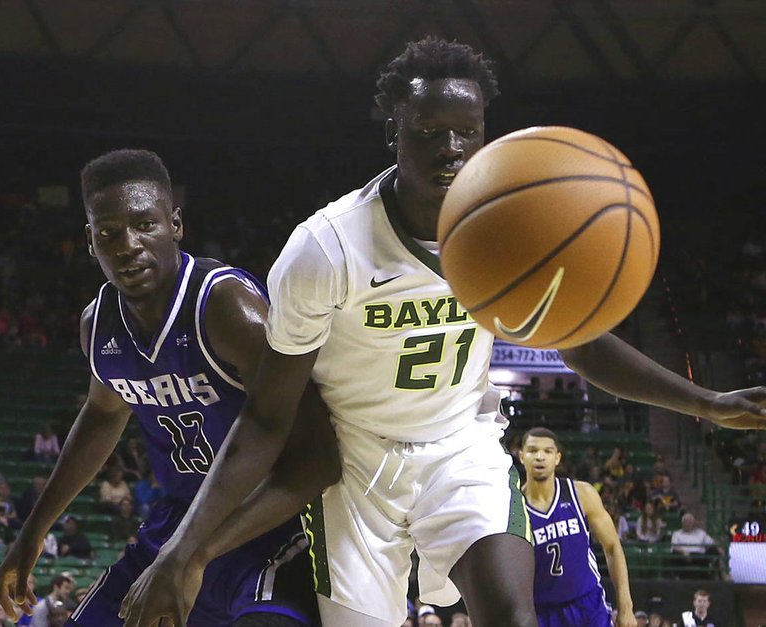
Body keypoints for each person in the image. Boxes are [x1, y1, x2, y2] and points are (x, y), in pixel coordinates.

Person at [120, 37, 766, 627]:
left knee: (513, 615)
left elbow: (579, 340)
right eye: (429, 131)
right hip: (356, 464)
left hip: (462, 448)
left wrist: (705, 401)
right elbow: (266, 417)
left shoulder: (515, 233)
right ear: (393, 133)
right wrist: (183, 551)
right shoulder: (327, 248)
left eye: (467, 131)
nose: (451, 147)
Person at [0, 149, 338, 627]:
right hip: (175, 525)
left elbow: (318, 460)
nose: (127, 245)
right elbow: (102, 413)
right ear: (90, 242)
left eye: (144, 225)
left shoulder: (227, 308)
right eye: (108, 234)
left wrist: (189, 556)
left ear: (175, 223)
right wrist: (33, 530)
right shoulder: (98, 325)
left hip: (271, 525)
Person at [520, 428, 635, 627]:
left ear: (557, 458)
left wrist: (626, 608)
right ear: (521, 456)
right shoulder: (514, 509)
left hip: (587, 605)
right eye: (532, 450)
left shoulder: (581, 494)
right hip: (541, 613)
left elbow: (612, 548)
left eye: (547, 451)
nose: (540, 457)